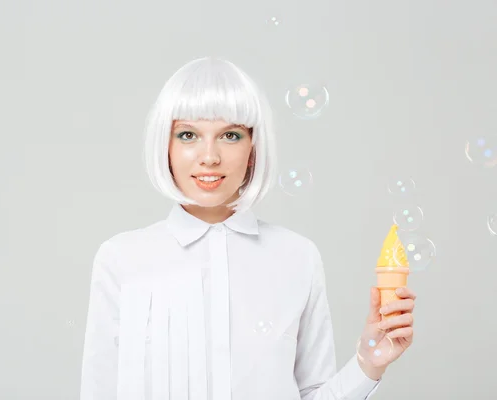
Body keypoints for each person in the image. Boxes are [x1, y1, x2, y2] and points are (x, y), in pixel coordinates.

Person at [79, 57, 417, 400]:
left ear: (253, 147)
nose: (209, 157)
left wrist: (368, 364)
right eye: (188, 134)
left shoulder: (298, 257)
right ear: (165, 147)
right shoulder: (121, 259)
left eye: (230, 135)